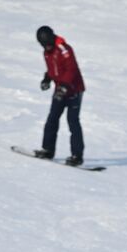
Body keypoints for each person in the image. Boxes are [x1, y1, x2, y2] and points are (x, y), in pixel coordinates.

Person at [35, 26, 86, 167]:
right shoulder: (47, 52)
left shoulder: (64, 49)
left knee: (73, 121)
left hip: (74, 90)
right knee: (52, 119)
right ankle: (48, 150)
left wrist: (64, 86)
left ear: (52, 37)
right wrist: (47, 79)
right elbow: (53, 69)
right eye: (44, 44)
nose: (47, 46)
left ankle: (77, 156)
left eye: (48, 42)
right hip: (60, 90)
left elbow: (71, 69)